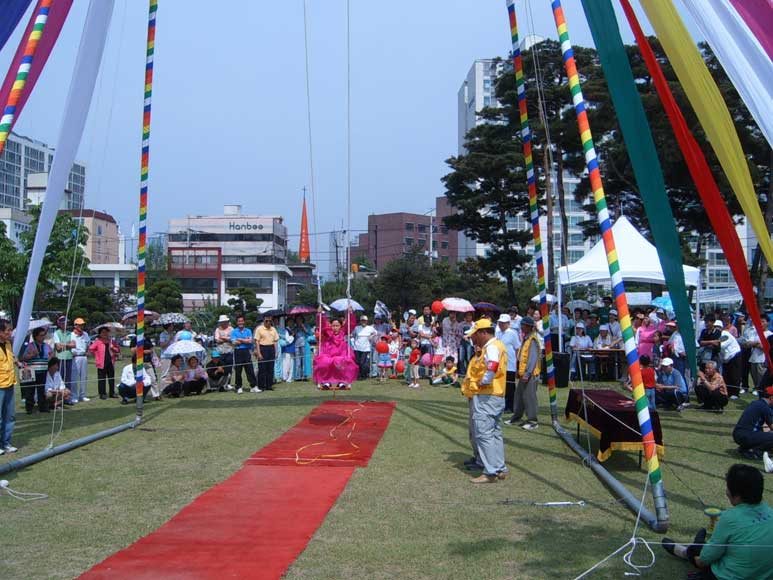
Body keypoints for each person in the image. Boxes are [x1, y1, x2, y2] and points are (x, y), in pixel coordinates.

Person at [662, 464, 773, 580]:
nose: (726, 491)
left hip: (727, 576)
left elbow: (703, 561)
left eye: (728, 487)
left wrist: (693, 556)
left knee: (698, 551)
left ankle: (686, 551)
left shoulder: (730, 518)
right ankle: (696, 546)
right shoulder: (770, 512)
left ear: (736, 495)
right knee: (719, 549)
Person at [461, 318, 508, 483]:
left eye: (475, 335)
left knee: (484, 434)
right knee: (494, 432)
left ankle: (490, 472)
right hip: (496, 394)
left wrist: (484, 380)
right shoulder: (496, 345)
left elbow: (493, 365)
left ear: (483, 333)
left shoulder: (492, 347)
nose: (473, 338)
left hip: (488, 395)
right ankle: (499, 468)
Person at [505, 316, 541, 431]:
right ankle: (516, 418)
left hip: (530, 374)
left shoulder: (533, 340)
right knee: (519, 396)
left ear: (529, 327)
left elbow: (533, 358)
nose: (521, 327)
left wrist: (527, 373)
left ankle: (532, 421)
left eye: (523, 325)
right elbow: (521, 356)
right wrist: (518, 371)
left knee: (529, 397)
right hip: (523, 373)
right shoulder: (526, 338)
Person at [313, 307, 358, 390]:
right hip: (328, 353)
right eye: (333, 325)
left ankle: (342, 382)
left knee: (342, 362)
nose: (335, 328)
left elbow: (350, 324)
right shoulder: (328, 332)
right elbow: (322, 324)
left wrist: (350, 313)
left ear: (341, 326)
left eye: (337, 326)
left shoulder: (343, 331)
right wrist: (320, 314)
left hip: (341, 353)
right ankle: (326, 381)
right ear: (330, 325)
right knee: (324, 362)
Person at [732, 386, 773, 459]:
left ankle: (744, 448)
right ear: (771, 397)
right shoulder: (765, 407)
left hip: (737, 434)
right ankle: (755, 452)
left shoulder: (755, 403)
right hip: (746, 435)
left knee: (764, 433)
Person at [22, 326, 52, 413]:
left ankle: (42, 407)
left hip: (42, 370)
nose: (43, 337)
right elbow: (23, 358)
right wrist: (32, 355)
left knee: (41, 390)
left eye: (44, 335)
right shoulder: (30, 346)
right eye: (41, 335)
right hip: (31, 371)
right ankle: (29, 408)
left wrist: (49, 358)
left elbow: (51, 355)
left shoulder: (46, 346)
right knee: (30, 390)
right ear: (36, 336)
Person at [495, 314, 521, 414]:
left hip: (510, 363)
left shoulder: (512, 333)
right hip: (500, 363)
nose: (501, 324)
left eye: (503, 323)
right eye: (500, 323)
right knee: (502, 385)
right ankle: (504, 404)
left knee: (509, 386)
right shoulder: (498, 333)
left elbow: (517, 348)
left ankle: (511, 406)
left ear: (508, 324)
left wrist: (517, 363)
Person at [0, 319, 18, 454]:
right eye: (7, 330)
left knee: (10, 415)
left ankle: (6, 442)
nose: (10, 332)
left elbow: (11, 358)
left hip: (10, 383)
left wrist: (18, 361)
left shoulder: (8, 344)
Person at [89, 326, 120, 400]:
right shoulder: (98, 342)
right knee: (101, 379)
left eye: (106, 332)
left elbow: (118, 350)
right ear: (100, 334)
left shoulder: (111, 341)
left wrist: (113, 348)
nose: (105, 334)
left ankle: (112, 393)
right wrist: (96, 355)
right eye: (103, 332)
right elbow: (91, 349)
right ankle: (102, 393)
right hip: (101, 363)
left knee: (111, 378)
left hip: (110, 362)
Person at [231, 315, 258, 394]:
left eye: (242, 321)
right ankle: (238, 387)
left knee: (250, 369)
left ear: (244, 321)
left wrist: (240, 339)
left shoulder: (248, 330)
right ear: (237, 322)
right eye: (239, 321)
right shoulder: (234, 331)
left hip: (247, 351)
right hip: (238, 351)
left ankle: (253, 386)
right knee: (238, 370)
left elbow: (250, 341)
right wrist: (244, 340)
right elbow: (234, 342)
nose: (240, 323)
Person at [53, 316, 76, 402]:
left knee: (68, 379)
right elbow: (58, 347)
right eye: (62, 322)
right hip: (60, 358)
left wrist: (64, 344)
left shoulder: (71, 333)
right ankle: (60, 399)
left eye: (66, 322)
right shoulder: (56, 333)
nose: (65, 324)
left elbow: (74, 345)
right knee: (60, 378)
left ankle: (67, 398)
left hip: (69, 358)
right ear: (59, 323)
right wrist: (68, 344)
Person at [254, 315, 279, 391]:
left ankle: (269, 385)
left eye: (270, 321)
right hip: (262, 348)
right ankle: (261, 386)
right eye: (266, 321)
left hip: (271, 348)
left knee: (270, 368)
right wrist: (259, 353)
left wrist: (276, 352)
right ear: (263, 321)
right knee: (262, 368)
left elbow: (275, 341)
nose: (268, 322)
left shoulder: (273, 329)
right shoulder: (259, 329)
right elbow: (257, 342)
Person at [71, 318, 90, 403]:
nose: (81, 326)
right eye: (79, 325)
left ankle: (82, 395)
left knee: (84, 377)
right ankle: (74, 395)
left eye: (82, 325)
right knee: (74, 377)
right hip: (75, 357)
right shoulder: (71, 335)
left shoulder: (85, 334)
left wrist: (87, 351)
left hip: (84, 357)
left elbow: (88, 344)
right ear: (75, 325)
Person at [719, 328, 742, 398]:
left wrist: (714, 342)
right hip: (726, 358)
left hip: (734, 355)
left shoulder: (725, 334)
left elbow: (722, 345)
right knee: (726, 375)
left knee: (734, 375)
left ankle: (735, 393)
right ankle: (728, 391)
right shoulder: (714, 336)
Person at [352, 314, 377, 380]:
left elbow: (376, 332)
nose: (363, 322)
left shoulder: (370, 328)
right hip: (357, 347)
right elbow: (353, 334)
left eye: (365, 321)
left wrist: (372, 336)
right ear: (360, 321)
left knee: (362, 362)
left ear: (367, 321)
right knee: (357, 362)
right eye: (362, 321)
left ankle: (364, 375)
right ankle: (359, 375)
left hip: (365, 348)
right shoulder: (357, 328)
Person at [213, 315, 234, 389]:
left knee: (229, 368)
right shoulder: (217, 329)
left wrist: (223, 338)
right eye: (223, 322)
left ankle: (228, 383)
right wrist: (227, 339)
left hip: (229, 351)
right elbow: (217, 340)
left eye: (225, 322)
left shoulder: (231, 329)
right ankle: (221, 383)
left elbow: (233, 339)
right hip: (220, 352)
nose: (224, 323)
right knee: (221, 368)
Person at [458, 311, 475, 376]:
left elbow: (474, 333)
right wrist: (463, 336)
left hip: (469, 342)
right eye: (467, 315)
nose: (468, 317)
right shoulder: (461, 324)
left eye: (470, 315)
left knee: (468, 358)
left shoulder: (474, 324)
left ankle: (468, 372)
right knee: (461, 358)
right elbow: (459, 333)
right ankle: (462, 373)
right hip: (462, 342)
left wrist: (469, 336)